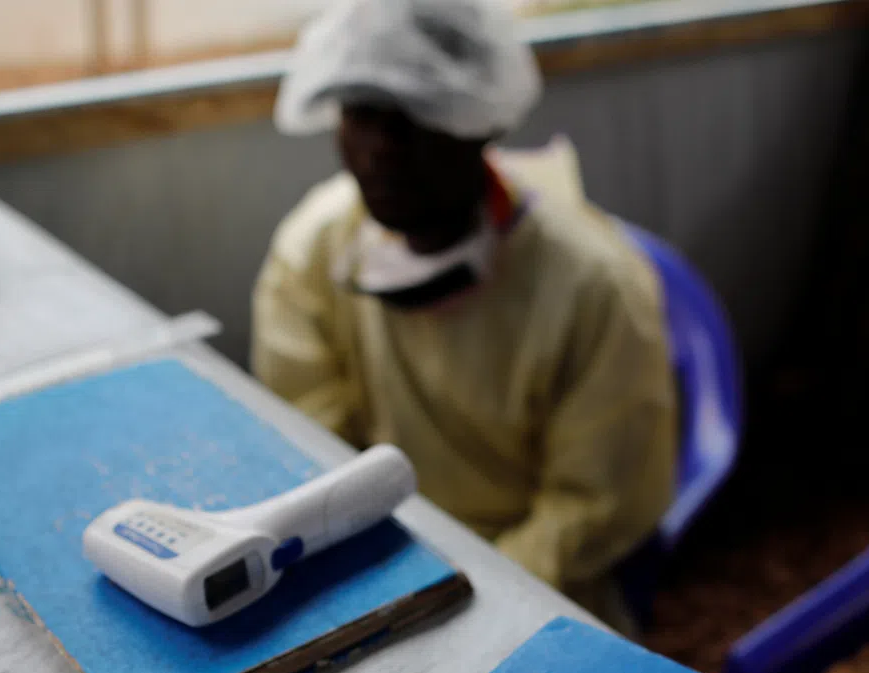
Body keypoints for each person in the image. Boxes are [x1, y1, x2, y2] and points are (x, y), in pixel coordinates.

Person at [252, 0, 677, 631]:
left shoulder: (593, 288)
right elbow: (310, 452)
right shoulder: (311, 254)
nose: (380, 151)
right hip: (365, 572)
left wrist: (468, 604)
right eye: (360, 113)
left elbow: (592, 506)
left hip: (536, 600)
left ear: (479, 123)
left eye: (416, 118)